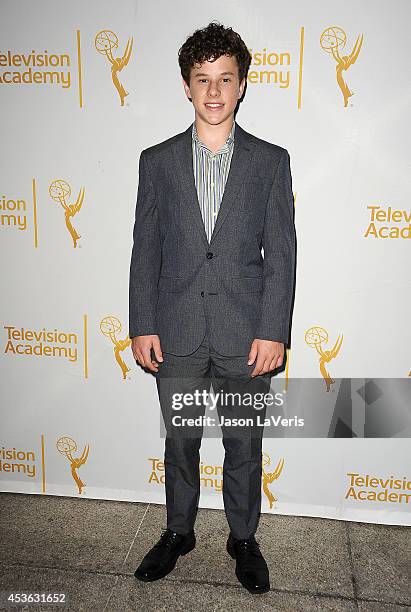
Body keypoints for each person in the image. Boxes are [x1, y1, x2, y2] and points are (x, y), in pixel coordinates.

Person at [129, 21, 296, 595]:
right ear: (187, 85)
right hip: (174, 331)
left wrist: (274, 329)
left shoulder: (270, 162)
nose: (215, 92)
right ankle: (178, 531)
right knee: (180, 440)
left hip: (246, 334)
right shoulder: (157, 162)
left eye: (226, 78)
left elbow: (283, 255)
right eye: (203, 79)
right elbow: (144, 248)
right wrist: (143, 324)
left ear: (243, 84)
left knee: (244, 445)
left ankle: (243, 539)